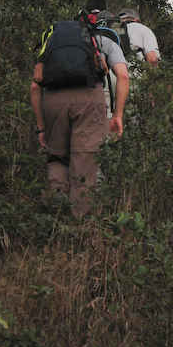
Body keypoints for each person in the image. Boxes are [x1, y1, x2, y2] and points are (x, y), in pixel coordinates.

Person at [30, 12, 130, 219]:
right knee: (85, 160)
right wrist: (117, 115)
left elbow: (34, 85)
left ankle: (54, 209)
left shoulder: (52, 40)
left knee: (57, 156)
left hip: (53, 99)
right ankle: (78, 224)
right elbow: (123, 75)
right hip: (89, 100)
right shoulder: (102, 41)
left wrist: (41, 127)